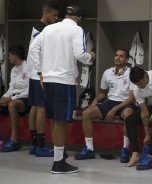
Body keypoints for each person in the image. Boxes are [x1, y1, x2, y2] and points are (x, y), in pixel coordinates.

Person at [28, 5, 96, 174]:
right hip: (64, 82)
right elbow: (80, 54)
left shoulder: (49, 28)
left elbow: (33, 49)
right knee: (61, 121)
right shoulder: (77, 29)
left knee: (54, 119)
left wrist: (40, 71)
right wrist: (90, 57)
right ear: (79, 19)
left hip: (48, 80)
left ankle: (60, 154)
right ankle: (58, 163)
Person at [75, 48, 137, 163]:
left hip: (126, 103)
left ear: (127, 59)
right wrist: (92, 105)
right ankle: (89, 149)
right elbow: (102, 93)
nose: (117, 58)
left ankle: (125, 149)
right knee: (86, 114)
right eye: (116, 55)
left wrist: (115, 109)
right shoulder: (108, 72)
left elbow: (131, 98)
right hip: (110, 102)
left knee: (128, 114)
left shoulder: (131, 73)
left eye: (121, 56)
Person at [26, 1, 60, 157]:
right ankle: (40, 146)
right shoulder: (41, 30)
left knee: (34, 107)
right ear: (45, 14)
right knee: (41, 107)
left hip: (34, 73)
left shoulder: (38, 28)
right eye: (54, 15)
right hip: (39, 74)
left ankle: (34, 145)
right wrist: (41, 72)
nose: (56, 18)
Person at [0, 45, 30, 152]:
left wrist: (11, 99)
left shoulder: (29, 67)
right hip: (14, 97)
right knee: (5, 102)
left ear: (15, 55)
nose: (9, 58)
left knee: (11, 104)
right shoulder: (13, 70)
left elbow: (30, 90)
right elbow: (11, 88)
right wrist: (4, 97)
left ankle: (14, 141)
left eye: (10, 56)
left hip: (25, 99)